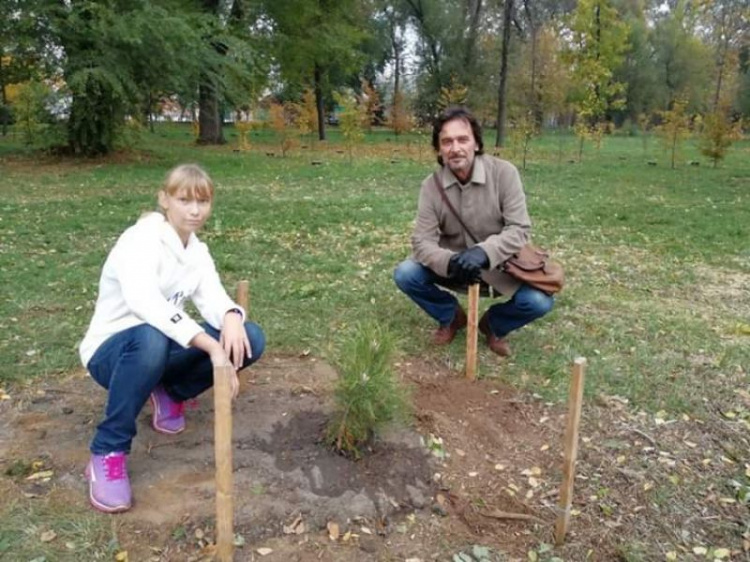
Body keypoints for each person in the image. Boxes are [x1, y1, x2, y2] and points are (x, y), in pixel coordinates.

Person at [79, 163, 265, 513]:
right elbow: (145, 303)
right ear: (164, 199)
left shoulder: (196, 251)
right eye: (184, 200)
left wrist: (231, 318)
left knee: (249, 338)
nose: (195, 211)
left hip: (159, 349)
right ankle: (108, 450)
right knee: (150, 337)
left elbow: (213, 298)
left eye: (203, 201)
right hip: (112, 354)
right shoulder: (139, 241)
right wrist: (211, 347)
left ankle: (168, 392)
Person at [393, 106, 553, 356]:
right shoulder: (431, 186)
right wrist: (450, 261)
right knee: (406, 273)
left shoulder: (504, 173)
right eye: (446, 141)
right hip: (454, 269)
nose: (455, 148)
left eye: (462, 139)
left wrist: (483, 253)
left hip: (499, 266)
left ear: (476, 143)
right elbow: (422, 241)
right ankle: (451, 317)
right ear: (439, 149)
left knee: (539, 301)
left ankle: (494, 325)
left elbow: (519, 229)